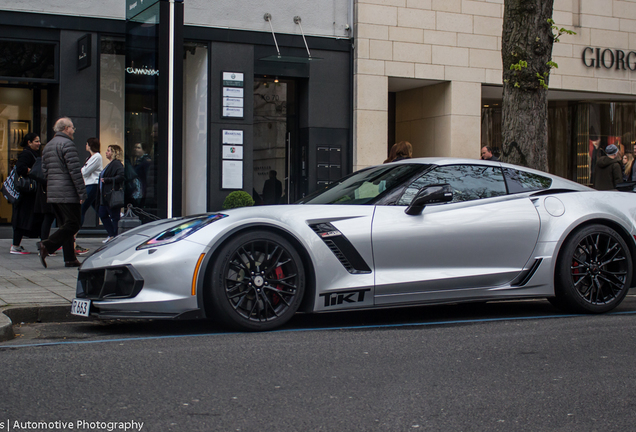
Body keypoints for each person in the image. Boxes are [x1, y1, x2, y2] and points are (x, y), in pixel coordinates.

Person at [37, 117, 87, 268]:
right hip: (67, 192)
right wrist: (82, 193)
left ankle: (70, 259)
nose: (73, 131)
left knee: (65, 226)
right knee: (74, 224)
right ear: (66, 128)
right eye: (72, 128)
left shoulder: (48, 146)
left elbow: (45, 171)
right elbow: (74, 172)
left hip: (54, 192)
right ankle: (47, 245)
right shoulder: (67, 145)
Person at [10, 133, 41, 254]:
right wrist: (34, 172)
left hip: (30, 193)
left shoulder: (32, 153)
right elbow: (20, 168)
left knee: (30, 218)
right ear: (29, 142)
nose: (38, 144)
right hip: (26, 192)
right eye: (36, 141)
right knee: (22, 218)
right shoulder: (26, 154)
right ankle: (16, 245)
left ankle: (45, 242)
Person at [98, 144, 125, 243]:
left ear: (114, 153)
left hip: (111, 194)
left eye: (109, 151)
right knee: (102, 213)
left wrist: (107, 180)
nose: (106, 152)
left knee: (114, 216)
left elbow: (121, 176)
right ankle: (112, 234)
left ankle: (114, 235)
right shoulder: (111, 164)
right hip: (105, 195)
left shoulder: (116, 164)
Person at [80, 137, 102, 226]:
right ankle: (111, 230)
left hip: (92, 185)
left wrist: (82, 170)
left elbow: (85, 172)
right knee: (99, 209)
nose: (85, 146)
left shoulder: (97, 157)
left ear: (90, 146)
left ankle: (74, 233)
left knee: (81, 208)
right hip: (89, 184)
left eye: (87, 144)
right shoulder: (90, 157)